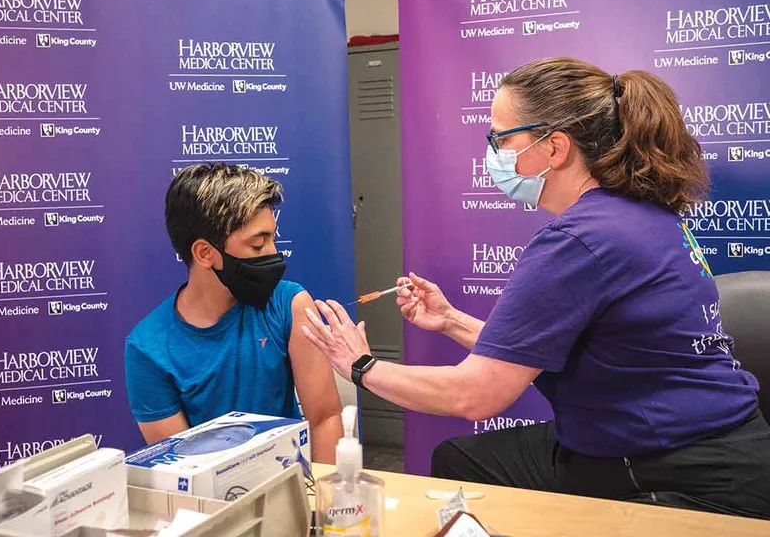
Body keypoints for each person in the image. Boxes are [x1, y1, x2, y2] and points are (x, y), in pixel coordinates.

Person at [301, 58, 770, 518]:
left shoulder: (581, 240)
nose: (493, 152)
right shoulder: (639, 213)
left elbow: (475, 395)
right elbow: (540, 348)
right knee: (460, 460)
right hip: (690, 440)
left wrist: (359, 365)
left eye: (500, 138)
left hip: (681, 470)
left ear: (555, 147)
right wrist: (451, 320)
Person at [125, 164, 343, 463]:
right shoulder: (147, 348)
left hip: (292, 488)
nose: (273, 252)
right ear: (204, 253)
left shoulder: (289, 304)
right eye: (258, 244)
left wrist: (322, 504)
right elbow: (181, 464)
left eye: (272, 238)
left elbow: (324, 418)